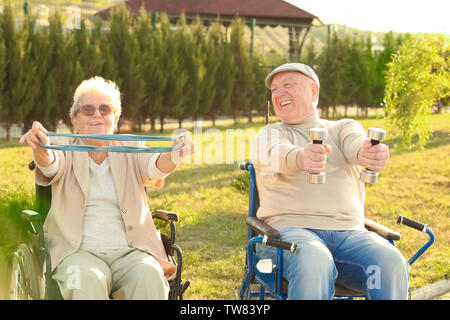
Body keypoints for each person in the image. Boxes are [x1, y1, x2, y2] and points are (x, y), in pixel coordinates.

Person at [19, 76, 195, 300]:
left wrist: (176, 152)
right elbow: (50, 162)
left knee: (150, 279)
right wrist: (41, 148)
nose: (97, 115)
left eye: (105, 109)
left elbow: (155, 166)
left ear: (116, 118)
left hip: (132, 252)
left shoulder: (131, 146)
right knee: (86, 283)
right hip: (77, 254)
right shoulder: (64, 148)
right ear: (74, 120)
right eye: (88, 110)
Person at [251, 63, 409, 300]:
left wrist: (367, 154)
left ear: (313, 91)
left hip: (350, 236)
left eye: (287, 85)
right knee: (315, 259)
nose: (278, 94)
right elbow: (277, 153)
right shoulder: (270, 133)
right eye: (274, 89)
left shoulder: (342, 128)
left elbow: (357, 144)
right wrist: (301, 157)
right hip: (290, 234)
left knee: (391, 261)